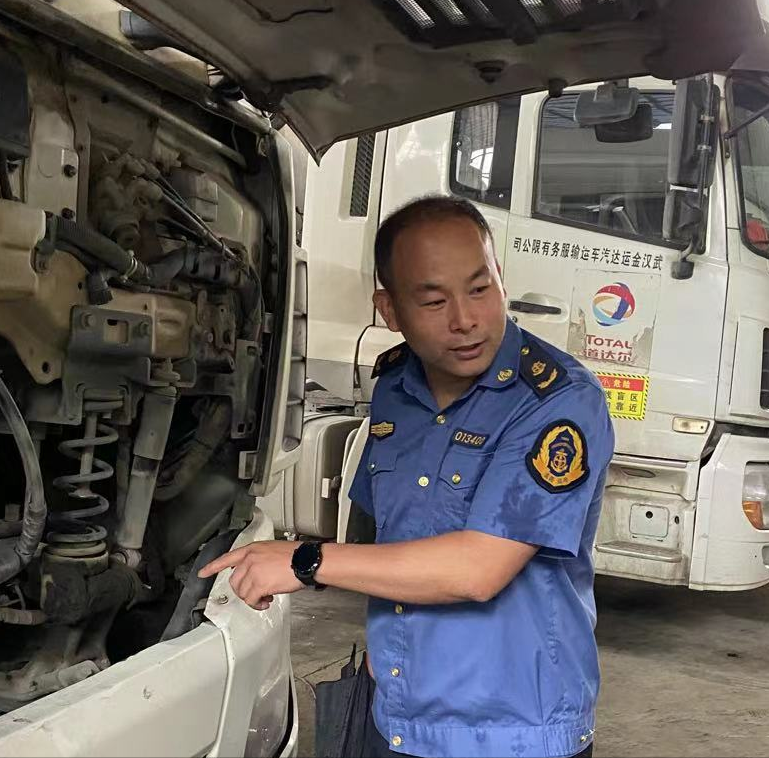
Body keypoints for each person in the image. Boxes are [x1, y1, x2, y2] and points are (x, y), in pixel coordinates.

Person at [199, 196, 614, 758]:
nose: (465, 319)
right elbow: (391, 527)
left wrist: (304, 561)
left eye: (480, 288)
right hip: (397, 714)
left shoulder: (556, 401)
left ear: (501, 280)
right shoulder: (396, 384)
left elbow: (478, 568)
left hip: (511, 732)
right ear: (389, 310)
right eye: (434, 300)